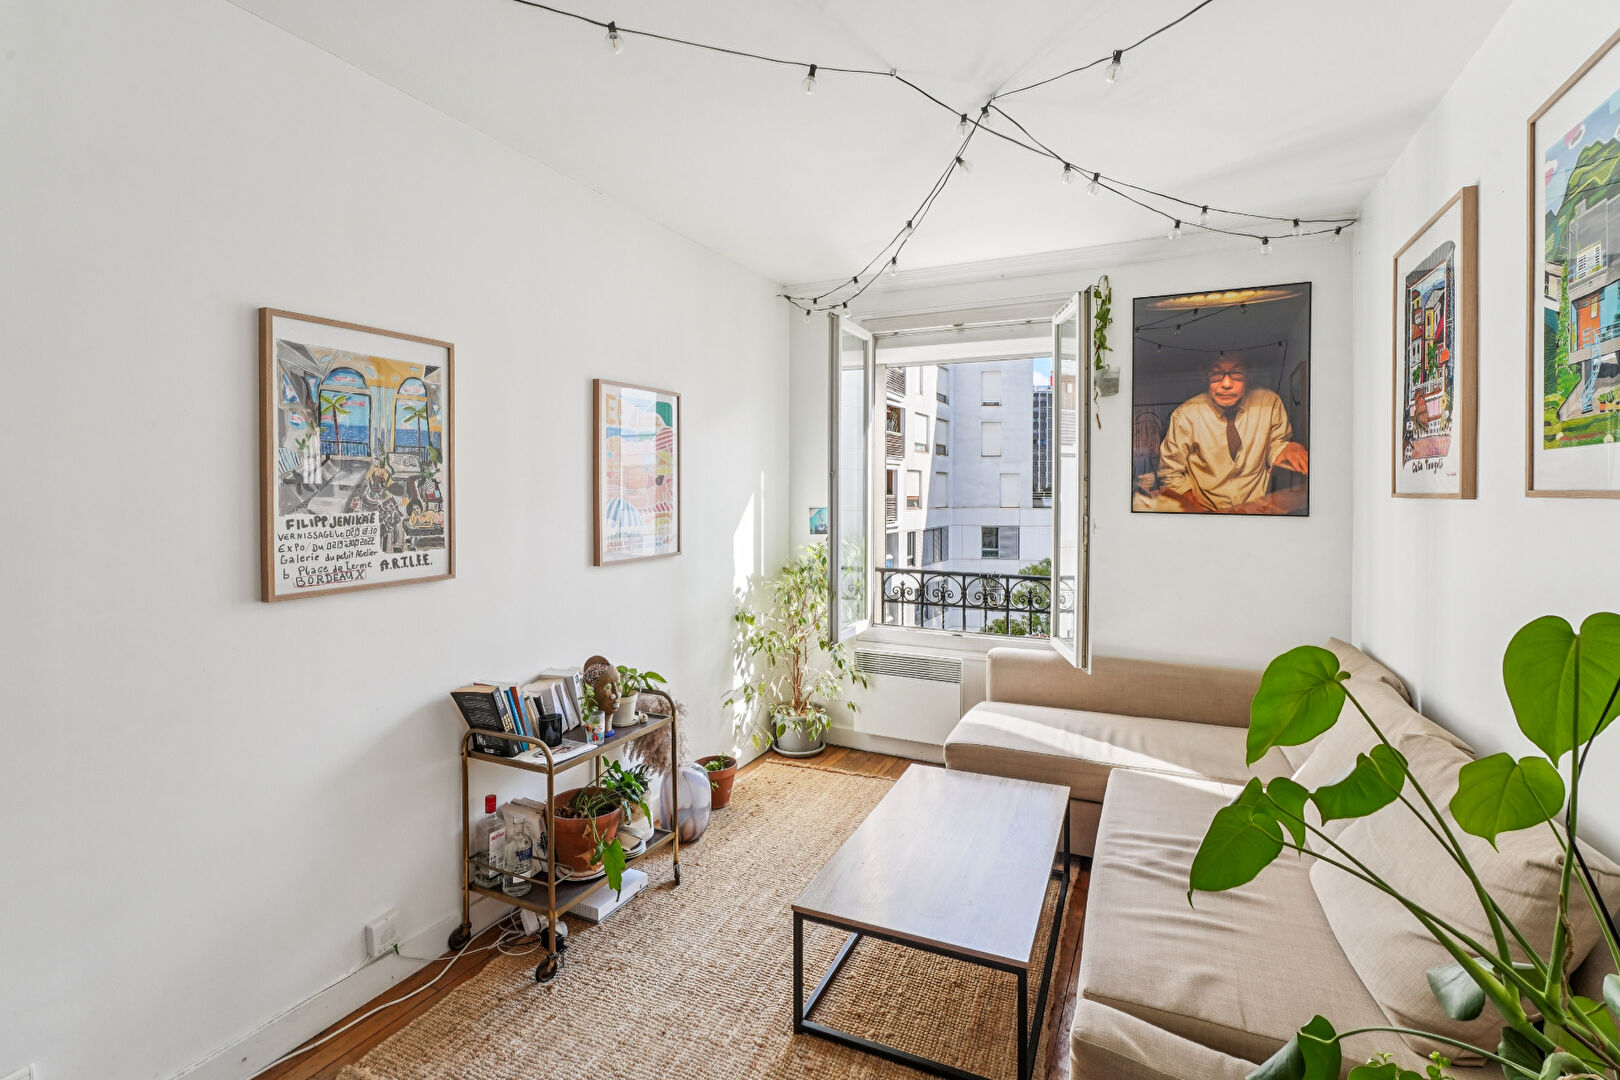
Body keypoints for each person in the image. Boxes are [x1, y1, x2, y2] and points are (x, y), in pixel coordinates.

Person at [1154, 352, 1308, 513]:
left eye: (1237, 373)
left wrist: (1286, 448)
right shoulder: (1185, 415)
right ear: (1205, 375)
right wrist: (1200, 513)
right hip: (1207, 511)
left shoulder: (1270, 402)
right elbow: (1169, 473)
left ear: (1250, 374)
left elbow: (1275, 444)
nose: (1226, 384)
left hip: (1257, 510)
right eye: (1216, 373)